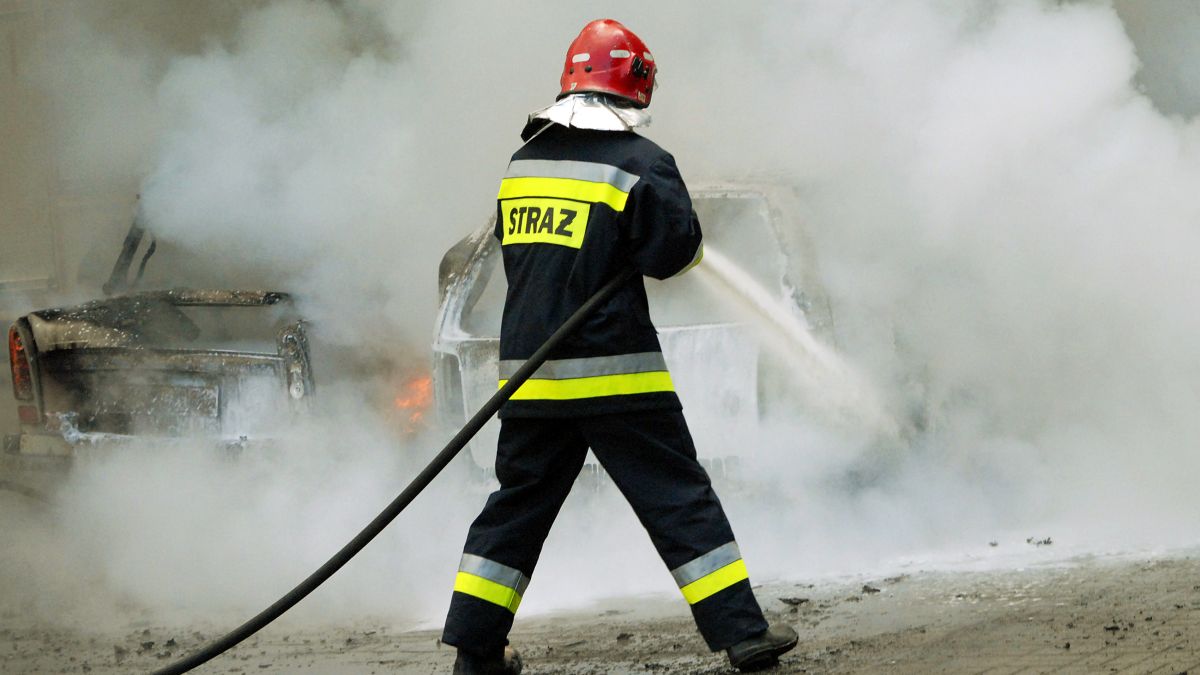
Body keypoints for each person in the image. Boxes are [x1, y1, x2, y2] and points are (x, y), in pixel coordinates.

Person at [443, 19, 799, 675]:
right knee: (677, 498)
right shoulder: (641, 164)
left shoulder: (520, 166)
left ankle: (475, 650)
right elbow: (675, 255)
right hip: (616, 375)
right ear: (635, 86)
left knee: (515, 509)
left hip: (531, 377)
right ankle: (742, 634)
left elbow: (529, 261)